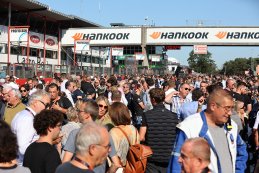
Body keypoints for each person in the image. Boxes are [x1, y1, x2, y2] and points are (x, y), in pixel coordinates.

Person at [167, 87, 248, 173]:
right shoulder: (190, 127)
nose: (230, 113)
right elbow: (176, 164)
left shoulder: (231, 127)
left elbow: (241, 151)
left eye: (231, 108)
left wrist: (239, 170)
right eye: (227, 108)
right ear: (213, 106)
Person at [62, 100, 121, 173]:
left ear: (87, 115)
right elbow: (116, 164)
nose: (77, 113)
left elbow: (65, 163)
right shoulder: (105, 134)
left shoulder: (76, 134)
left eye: (80, 111)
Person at [139, 88, 178, 173]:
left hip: (152, 159)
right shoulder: (174, 116)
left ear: (153, 100)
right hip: (168, 157)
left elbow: (141, 137)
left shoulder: (147, 115)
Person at [11, 90, 51, 165]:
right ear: (35, 102)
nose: (47, 108)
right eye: (46, 105)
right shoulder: (28, 119)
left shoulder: (23, 114)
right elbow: (23, 148)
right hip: (23, 165)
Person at [109, 102, 140, 166]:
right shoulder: (133, 128)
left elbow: (113, 155)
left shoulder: (113, 132)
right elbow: (138, 147)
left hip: (120, 168)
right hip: (133, 167)